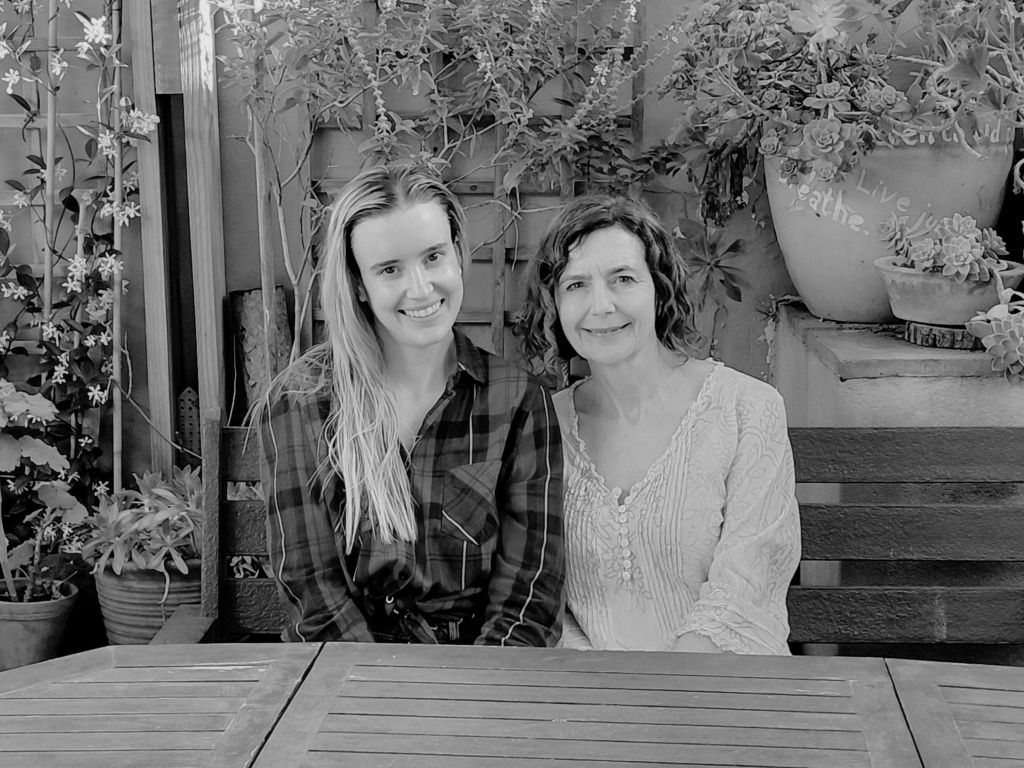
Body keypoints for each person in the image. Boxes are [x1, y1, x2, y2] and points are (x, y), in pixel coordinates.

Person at [255, 164, 564, 646]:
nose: (420, 289)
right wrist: (380, 688)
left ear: (458, 254)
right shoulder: (303, 402)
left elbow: (528, 598)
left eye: (433, 257)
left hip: (482, 670)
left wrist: (484, 688)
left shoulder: (517, 401)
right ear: (359, 285)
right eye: (390, 269)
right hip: (350, 670)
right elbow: (313, 594)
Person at [517, 195, 800, 654]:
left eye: (623, 279)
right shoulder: (542, 428)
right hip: (593, 690)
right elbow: (542, 603)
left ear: (659, 288)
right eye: (576, 285)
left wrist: (660, 692)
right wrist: (600, 687)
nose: (601, 305)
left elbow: (744, 597)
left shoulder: (746, 411)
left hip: (723, 686)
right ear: (554, 304)